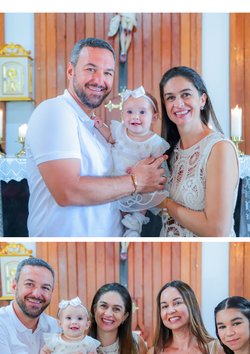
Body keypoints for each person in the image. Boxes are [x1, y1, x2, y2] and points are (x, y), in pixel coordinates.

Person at [25, 37, 166, 237]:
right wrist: (136, 180)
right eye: (91, 69)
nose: (100, 80)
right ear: (70, 71)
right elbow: (68, 191)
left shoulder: (98, 128)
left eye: (107, 73)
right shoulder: (54, 110)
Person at [155, 67, 238, 237]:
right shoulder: (168, 150)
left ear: (202, 100)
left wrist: (164, 204)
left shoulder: (219, 149)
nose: (178, 104)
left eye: (186, 94)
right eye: (170, 97)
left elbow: (217, 231)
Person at [94, 87, 172, 237]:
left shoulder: (155, 142)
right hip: (117, 176)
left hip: (142, 181)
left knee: (143, 200)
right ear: (123, 115)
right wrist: (99, 126)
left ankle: (136, 224)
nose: (135, 116)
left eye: (142, 112)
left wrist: (140, 169)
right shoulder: (120, 130)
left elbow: (157, 164)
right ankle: (125, 229)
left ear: (154, 118)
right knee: (119, 207)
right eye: (129, 112)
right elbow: (110, 137)